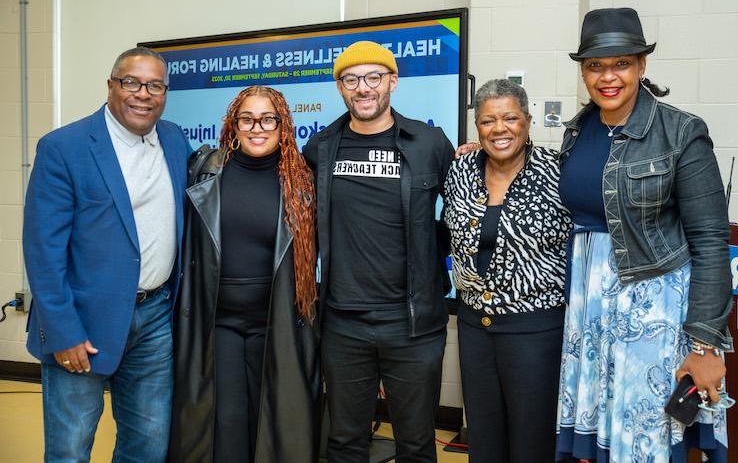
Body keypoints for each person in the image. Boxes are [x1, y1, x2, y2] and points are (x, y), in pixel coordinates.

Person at [555, 7, 732, 462]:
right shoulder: (578, 130)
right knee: (596, 445)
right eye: (595, 66)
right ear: (583, 71)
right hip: (588, 313)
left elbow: (711, 242)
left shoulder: (681, 132)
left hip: (652, 313)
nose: (607, 77)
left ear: (642, 65)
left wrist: (705, 344)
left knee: (644, 442)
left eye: (621, 63)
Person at [23, 47, 193, 462]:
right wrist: (62, 333)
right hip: (83, 324)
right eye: (131, 82)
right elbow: (43, 250)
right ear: (111, 86)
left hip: (155, 320)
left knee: (148, 447)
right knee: (70, 449)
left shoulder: (173, 139)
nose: (143, 94)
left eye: (155, 85)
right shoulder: (65, 147)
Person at [303, 40, 454, 462]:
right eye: (351, 79)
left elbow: (464, 209)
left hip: (412, 324)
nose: (363, 88)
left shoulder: (428, 143)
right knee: (345, 442)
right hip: (342, 323)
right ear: (340, 88)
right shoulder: (321, 148)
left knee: (416, 444)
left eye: (373, 77)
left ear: (392, 81)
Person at [170, 85, 321, 463]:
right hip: (218, 322)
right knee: (225, 422)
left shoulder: (304, 180)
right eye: (247, 118)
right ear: (233, 124)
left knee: (270, 425)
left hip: (278, 322)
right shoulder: (203, 172)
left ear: (282, 124)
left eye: (268, 118)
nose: (258, 127)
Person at [443, 79, 572, 462]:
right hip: (473, 327)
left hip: (536, 330)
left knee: (532, 440)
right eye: (487, 121)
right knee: (483, 438)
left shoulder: (559, 171)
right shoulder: (459, 170)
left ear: (528, 121)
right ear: (477, 128)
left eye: (510, 118)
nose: (499, 129)